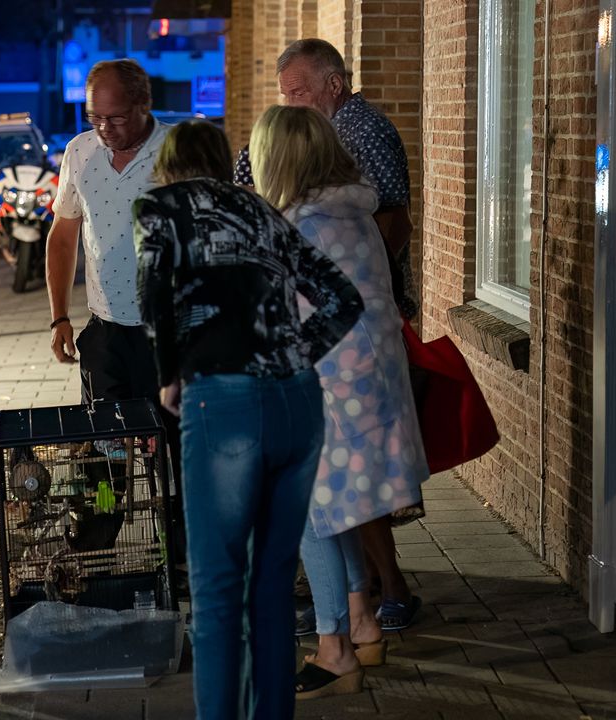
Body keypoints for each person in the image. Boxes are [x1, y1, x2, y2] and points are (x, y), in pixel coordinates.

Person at [135, 120, 363, 720]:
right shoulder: (265, 214)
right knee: (271, 586)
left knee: (215, 594)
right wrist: (291, 354)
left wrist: (167, 372)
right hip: (298, 402)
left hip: (225, 403)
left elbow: (154, 295)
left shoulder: (163, 206)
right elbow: (344, 299)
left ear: (168, 168)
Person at [237, 38, 425, 633]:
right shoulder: (341, 212)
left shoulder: (312, 224)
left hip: (336, 391)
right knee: (334, 507)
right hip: (353, 385)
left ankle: (340, 633)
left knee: (313, 509)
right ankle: (357, 622)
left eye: (298, 91)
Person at [46, 59, 167, 406]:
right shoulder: (79, 152)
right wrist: (60, 317)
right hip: (105, 327)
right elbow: (63, 235)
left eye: (115, 118)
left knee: (168, 444)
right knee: (104, 447)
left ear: (143, 105)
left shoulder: (176, 150)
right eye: (94, 117)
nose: (104, 128)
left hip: (167, 328)